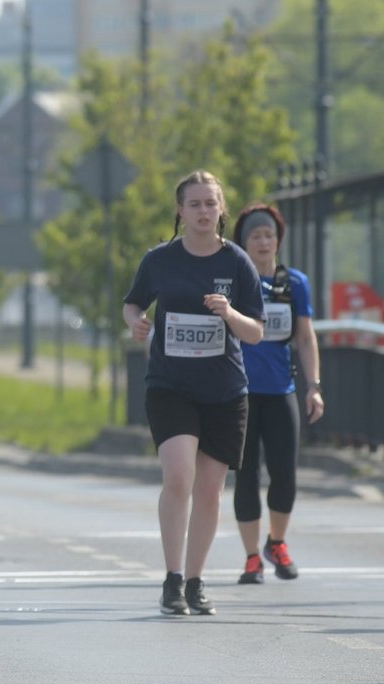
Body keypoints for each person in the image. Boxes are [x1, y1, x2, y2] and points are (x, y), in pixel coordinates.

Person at [122, 170, 265, 616]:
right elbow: (132, 303)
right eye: (195, 204)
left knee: (208, 490)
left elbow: (257, 332)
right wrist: (135, 322)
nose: (203, 211)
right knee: (179, 475)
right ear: (180, 212)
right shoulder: (160, 260)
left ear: (221, 210)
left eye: (211, 203)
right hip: (171, 386)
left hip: (224, 390)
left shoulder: (236, 262)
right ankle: (172, 579)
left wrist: (229, 314)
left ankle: (197, 581)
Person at [232, 203, 324, 584]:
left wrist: (313, 387)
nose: (264, 241)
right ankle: (252, 557)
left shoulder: (294, 283)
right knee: (246, 475)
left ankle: (277, 542)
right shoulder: (234, 280)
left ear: (278, 240)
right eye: (256, 235)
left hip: (281, 390)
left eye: (269, 235)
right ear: (244, 242)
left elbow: (305, 336)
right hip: (239, 393)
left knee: (284, 473)